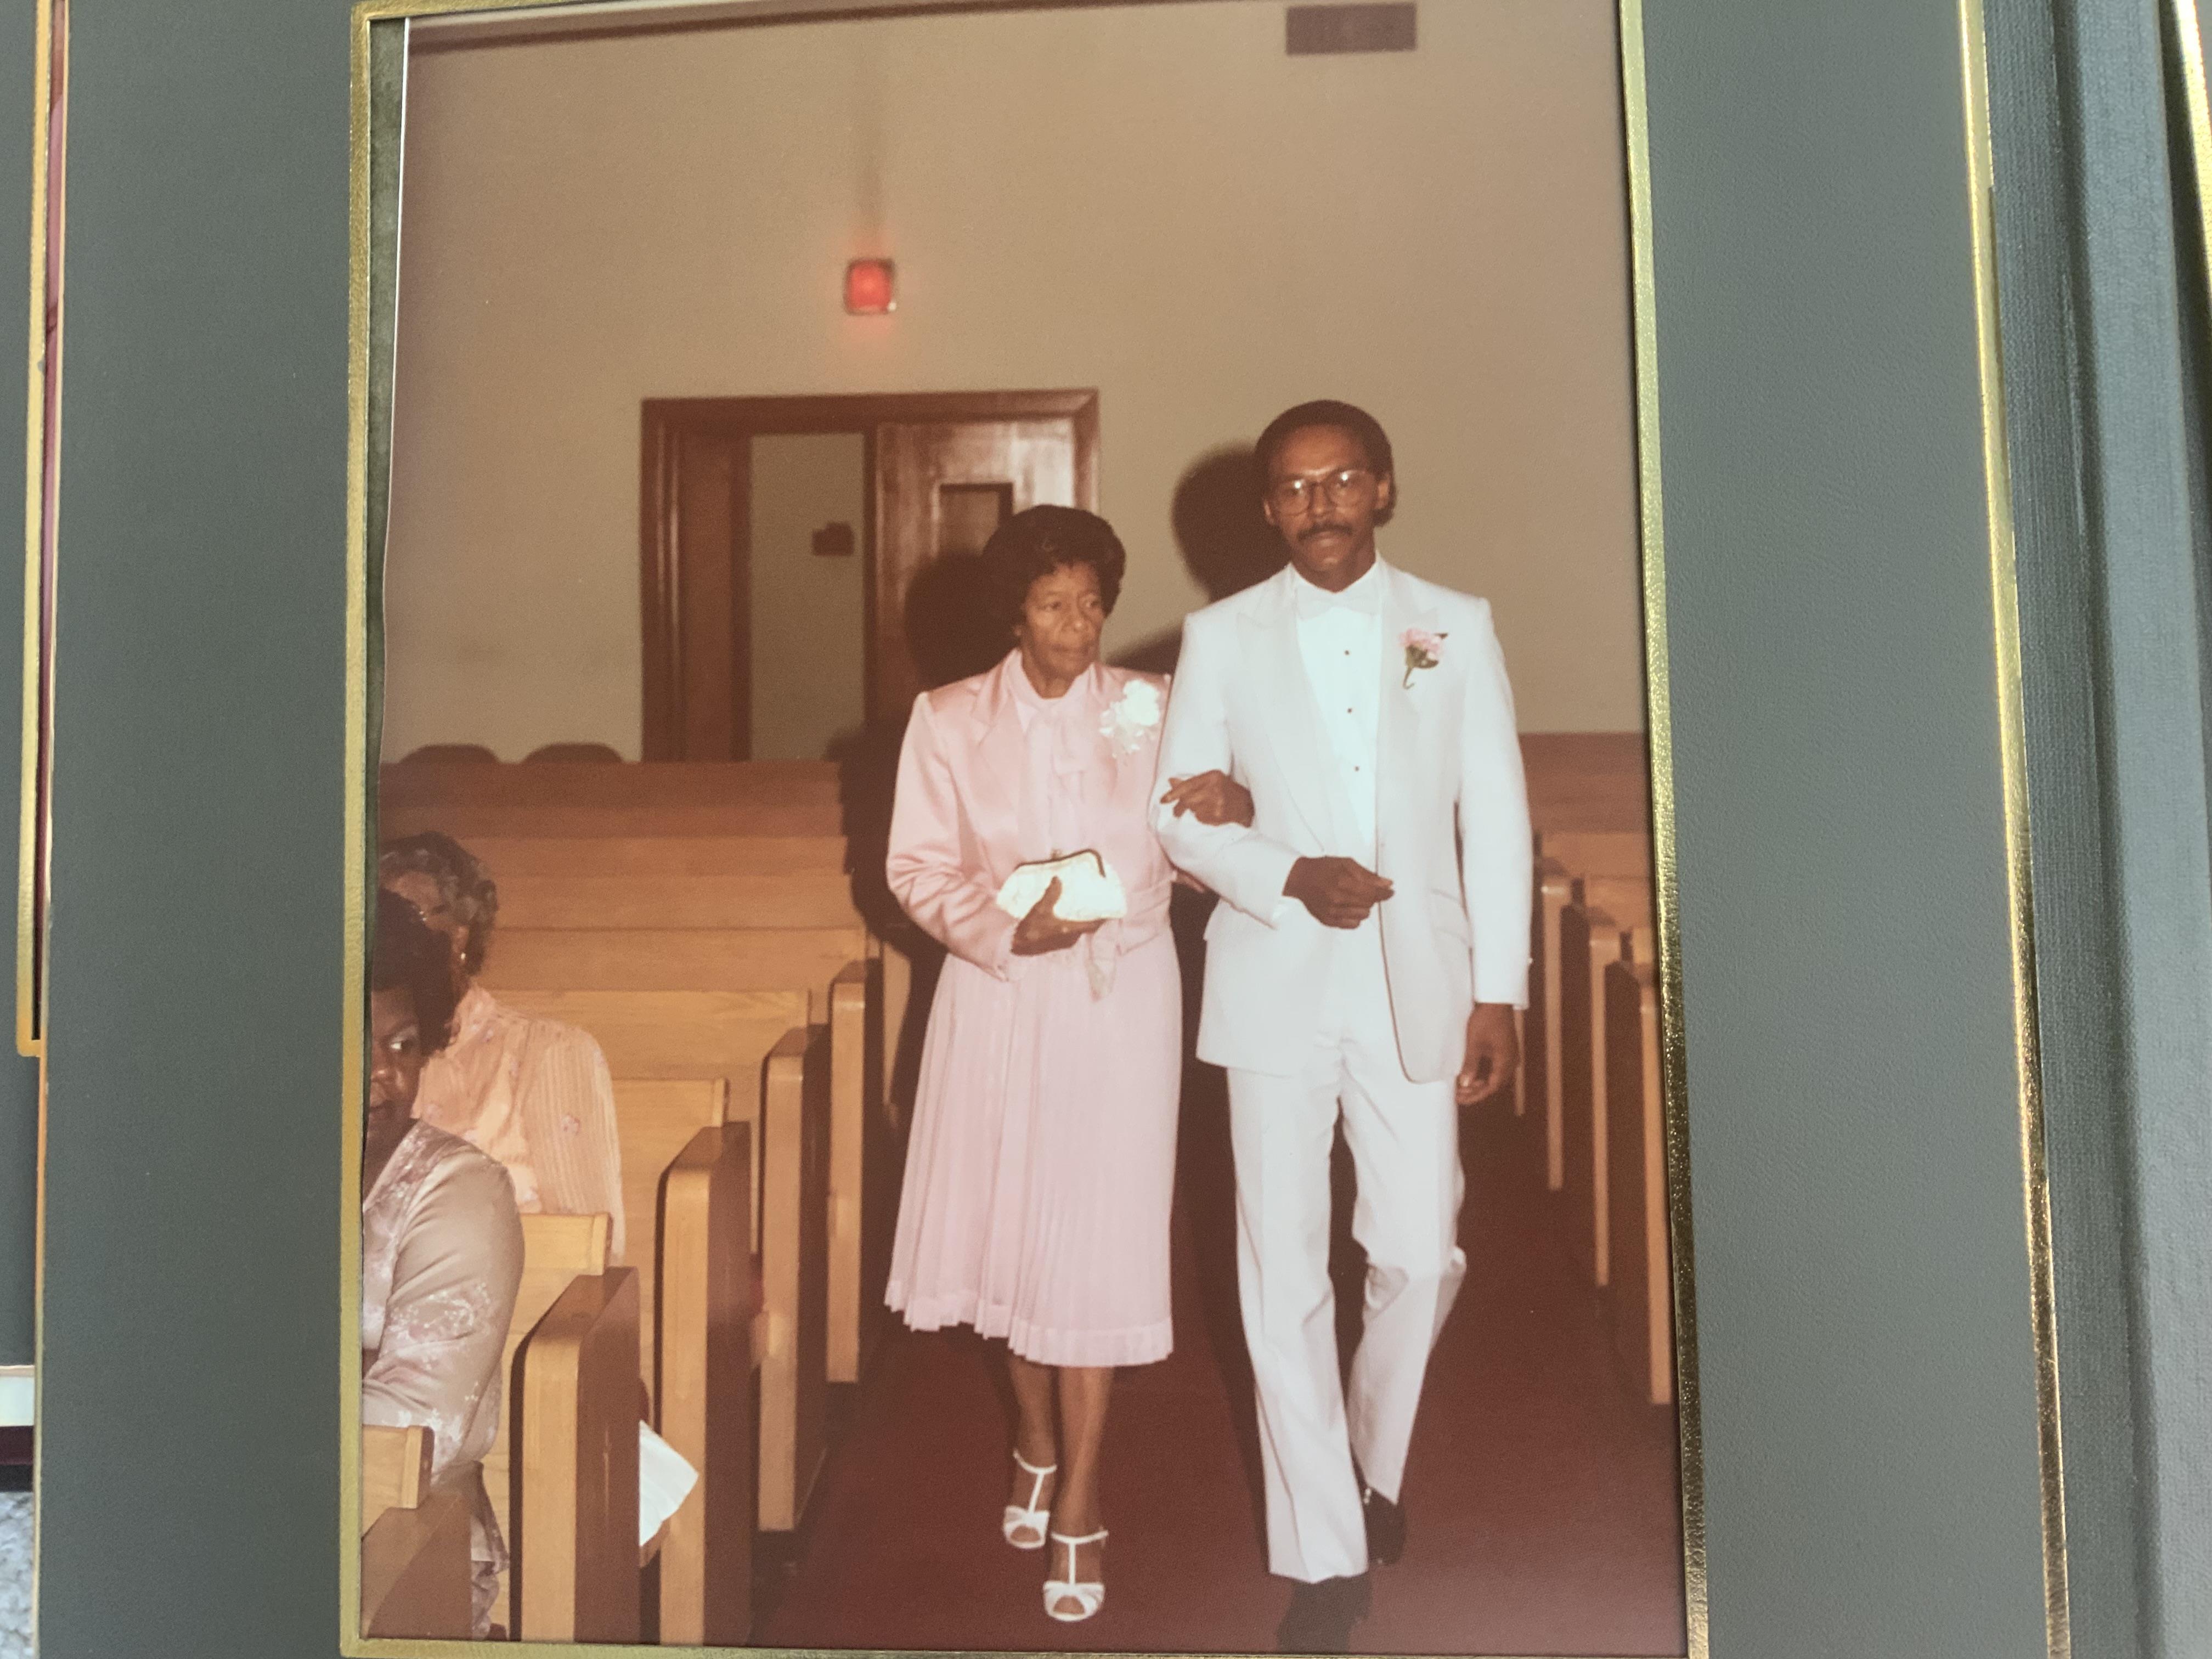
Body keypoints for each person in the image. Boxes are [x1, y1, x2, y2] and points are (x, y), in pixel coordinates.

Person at [1154, 400, 1532, 1652]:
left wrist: (1503, 991)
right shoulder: (1220, 637)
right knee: (1281, 1273)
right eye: (1293, 486)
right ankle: (1322, 1552)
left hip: (1416, 983)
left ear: (1384, 489)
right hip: (1272, 977)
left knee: (1419, 1255)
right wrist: (1283, 872)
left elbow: (1497, 814)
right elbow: (1184, 813)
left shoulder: (1450, 627)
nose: (1319, 502)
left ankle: (1371, 1466)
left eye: (1342, 479)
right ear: (1267, 509)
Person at [883, 504, 1252, 1624]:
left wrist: (1231, 811)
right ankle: (1034, 1439)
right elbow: (914, 864)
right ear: (1013, 611)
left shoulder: (1151, 711)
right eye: (1054, 605)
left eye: (1094, 603)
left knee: (1092, 1244)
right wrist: (1000, 930)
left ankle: (1083, 1497)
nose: (1078, 626)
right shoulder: (947, 720)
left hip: (1120, 998)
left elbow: (1199, 848)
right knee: (1009, 1237)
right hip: (998, 993)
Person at [361, 888, 525, 1639]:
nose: (382, 1075)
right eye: (352, 1040)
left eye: (402, 1044)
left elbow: (413, 1430)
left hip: (406, 1540)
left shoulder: (460, 1191)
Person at [380, 831, 627, 1262]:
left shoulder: (547, 1054)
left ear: (459, 937)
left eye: (406, 918)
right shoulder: (359, 1059)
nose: (386, 942)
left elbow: (591, 1255)